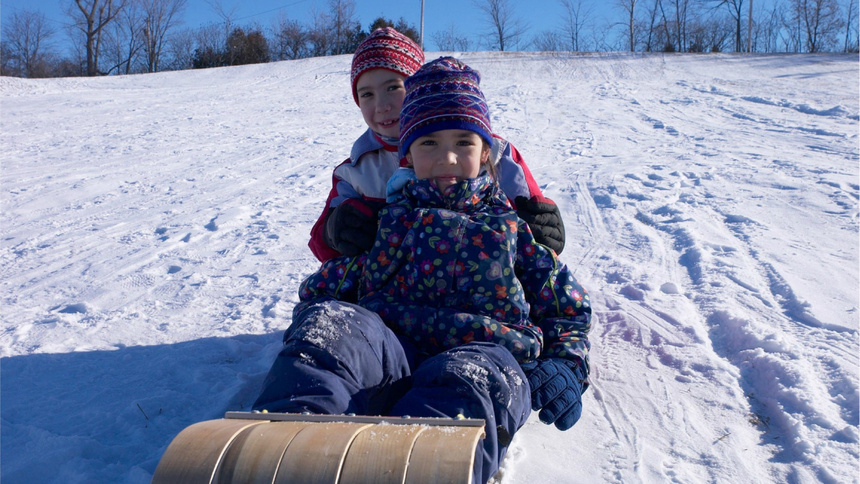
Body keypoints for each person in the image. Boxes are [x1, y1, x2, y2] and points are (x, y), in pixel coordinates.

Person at [254, 57, 592, 484]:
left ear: (486, 151)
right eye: (428, 143)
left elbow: (566, 305)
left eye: (463, 142)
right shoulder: (392, 221)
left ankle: (418, 466)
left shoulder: (511, 229)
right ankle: (286, 446)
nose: (447, 157)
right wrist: (322, 312)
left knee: (478, 381)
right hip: (392, 348)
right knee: (333, 329)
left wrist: (566, 364)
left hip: (483, 349)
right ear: (408, 155)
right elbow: (336, 283)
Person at [308, 27, 566, 262]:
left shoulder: (493, 154)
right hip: (392, 295)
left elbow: (535, 223)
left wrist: (545, 227)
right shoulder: (356, 171)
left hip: (484, 287)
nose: (382, 106)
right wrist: (334, 231)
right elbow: (321, 245)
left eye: (393, 88)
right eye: (367, 94)